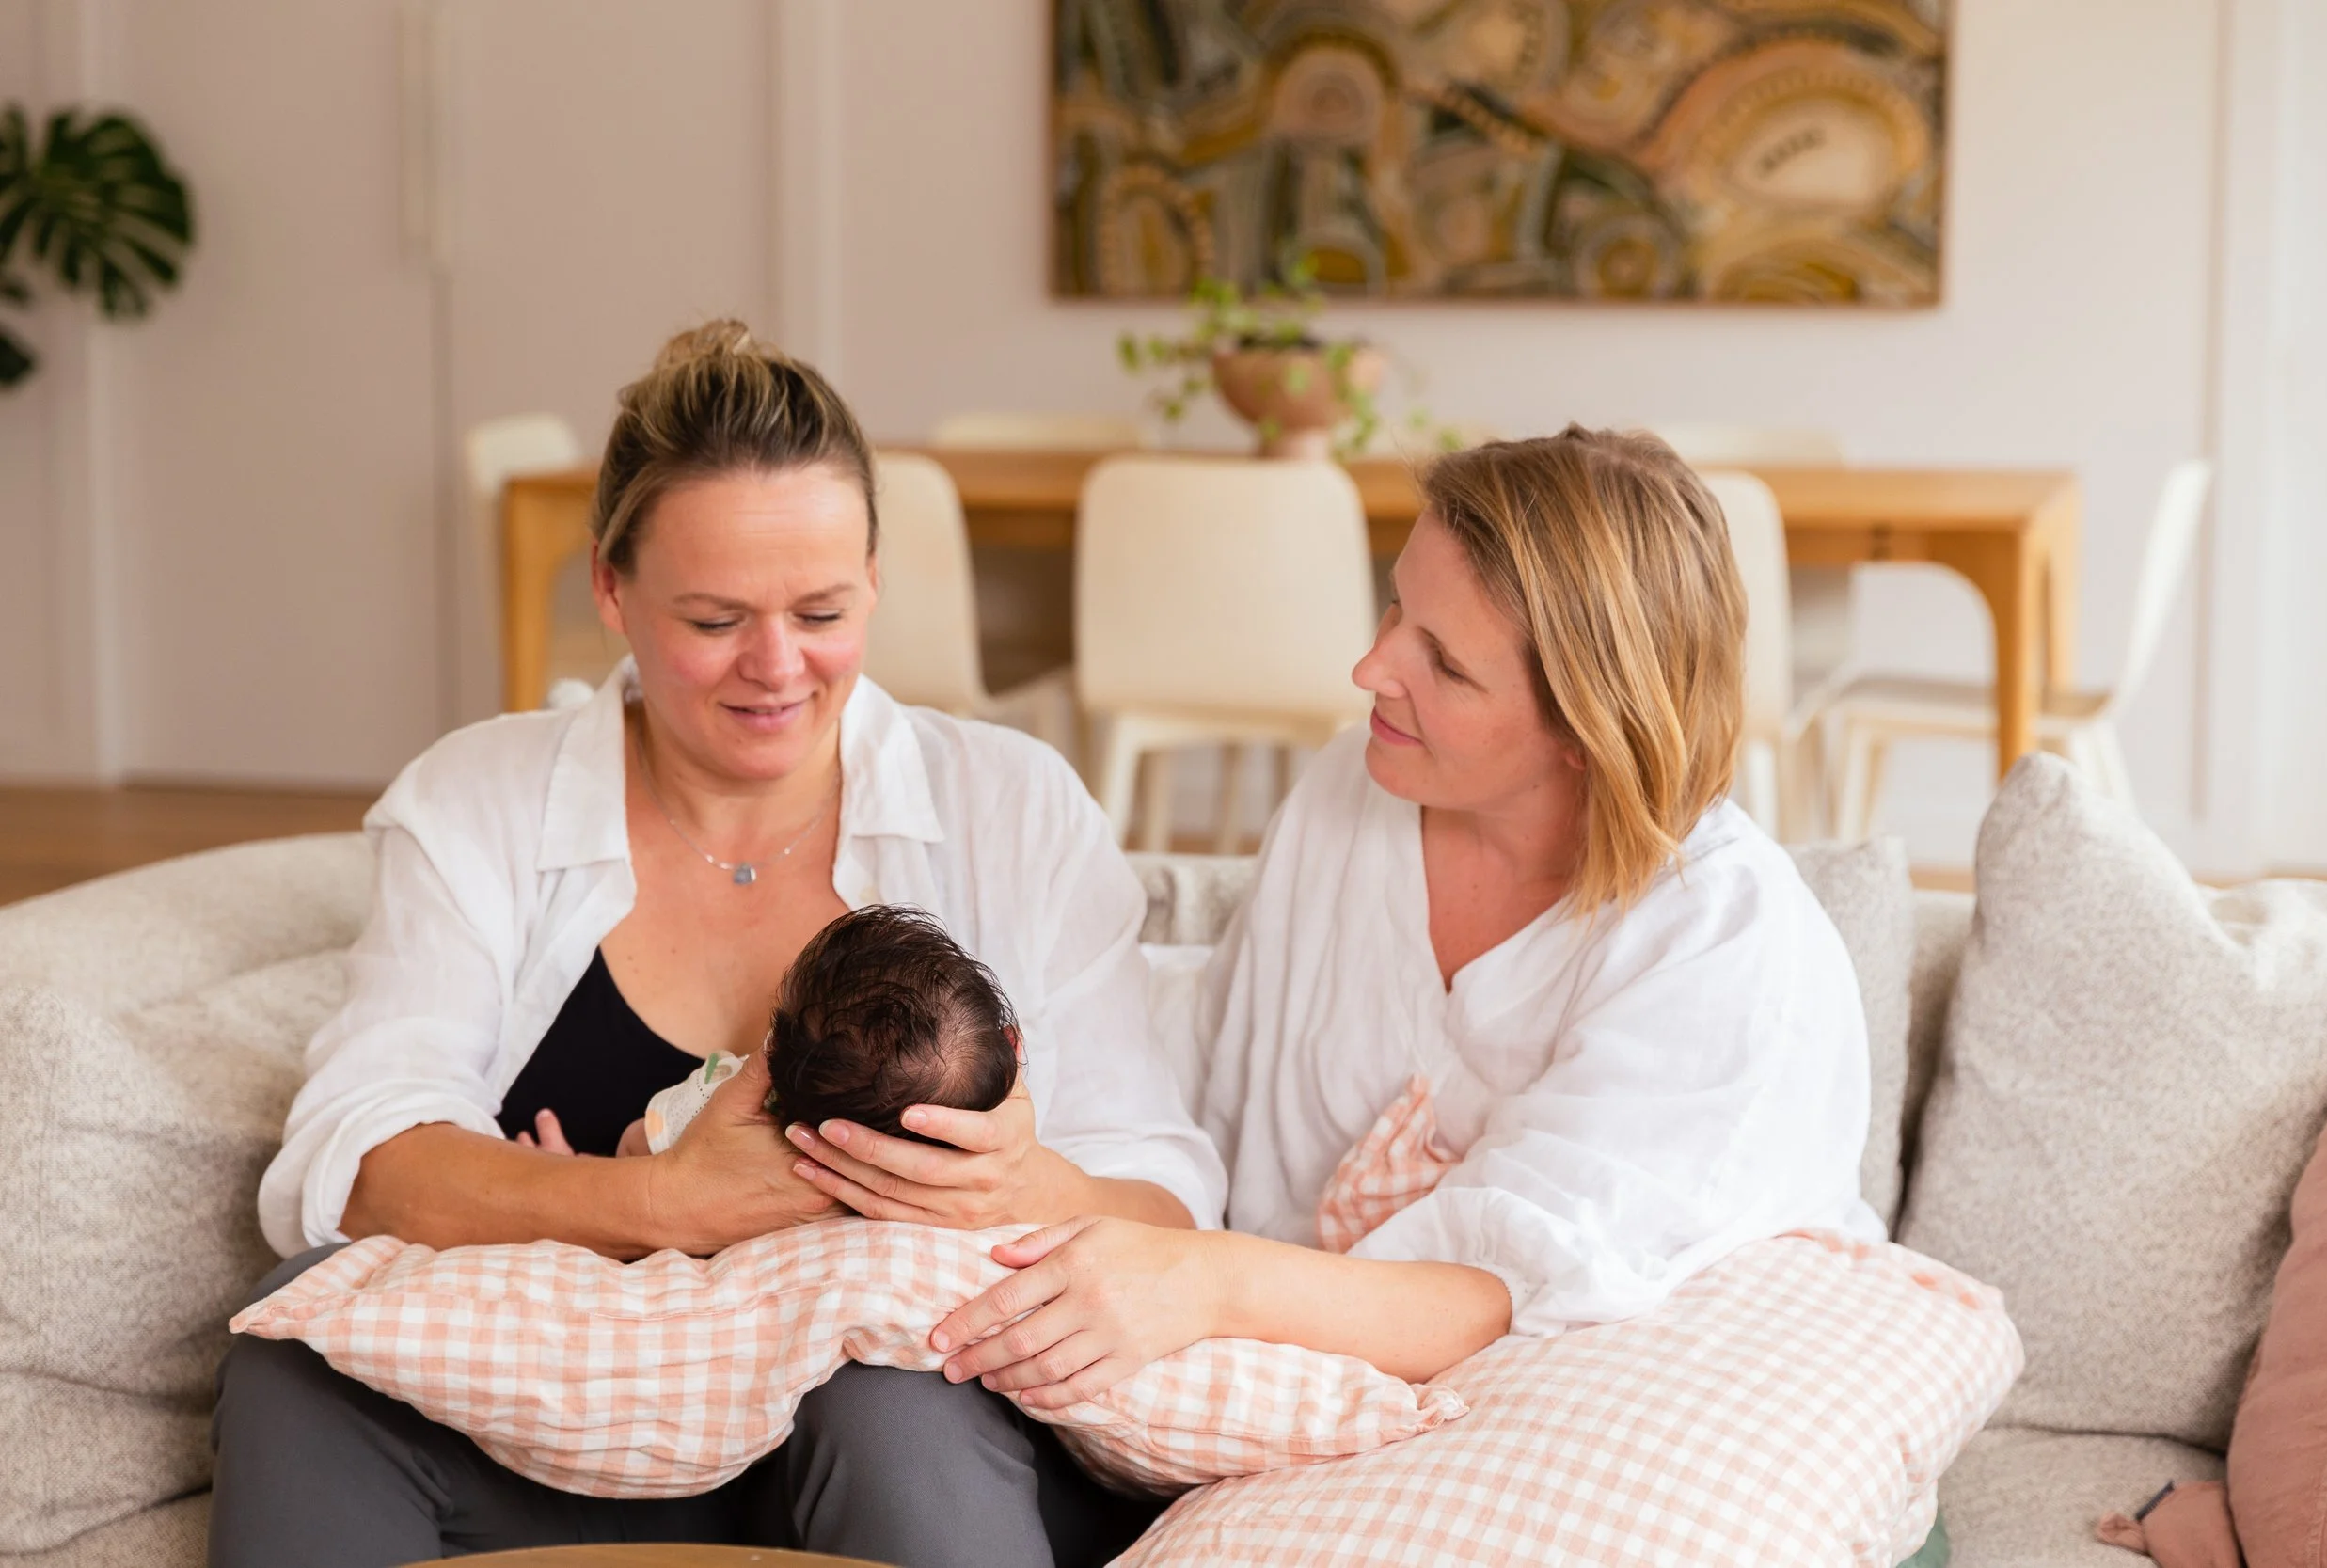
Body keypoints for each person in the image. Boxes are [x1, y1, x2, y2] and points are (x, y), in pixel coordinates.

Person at [210, 321, 1222, 1568]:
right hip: (578, 1427)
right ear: (610, 587)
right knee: (292, 1362)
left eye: (822, 608)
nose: (778, 666)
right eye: (714, 617)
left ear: (874, 580)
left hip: (900, 1428)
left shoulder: (1009, 805)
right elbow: (354, 1161)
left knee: (892, 1400)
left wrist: (1017, 1185)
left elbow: (1163, 1188)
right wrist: (660, 1201)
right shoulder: (479, 797)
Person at [835, 427, 1879, 1413]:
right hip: (1286, 1397)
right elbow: (1218, 1116)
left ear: (1585, 730)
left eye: (1447, 663)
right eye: (1395, 611)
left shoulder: (1721, 942)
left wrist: (1208, 1283)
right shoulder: (1354, 795)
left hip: (1613, 1425)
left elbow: (1505, 1286)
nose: (1370, 670)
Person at [625, 903, 1021, 1157]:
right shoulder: (981, 1161)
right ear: (1010, 1051)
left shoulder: (716, 1102)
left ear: (775, 1048)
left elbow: (639, 1145)